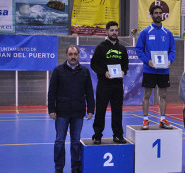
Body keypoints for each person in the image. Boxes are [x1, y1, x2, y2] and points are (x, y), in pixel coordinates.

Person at [48, 45, 95, 173]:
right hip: (61, 113)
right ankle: (59, 168)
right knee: (59, 141)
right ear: (66, 56)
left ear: (79, 55)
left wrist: (91, 109)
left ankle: (75, 167)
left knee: (75, 142)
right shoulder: (58, 70)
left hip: (78, 113)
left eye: (75, 54)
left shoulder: (85, 71)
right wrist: (51, 109)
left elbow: (89, 91)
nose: (73, 57)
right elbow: (52, 91)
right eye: (70, 54)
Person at [136, 5, 175, 130]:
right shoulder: (145, 32)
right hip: (150, 69)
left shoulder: (168, 33)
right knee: (147, 94)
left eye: (160, 13)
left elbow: (172, 50)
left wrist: (170, 60)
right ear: (151, 15)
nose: (158, 15)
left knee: (163, 95)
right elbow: (139, 49)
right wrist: (147, 61)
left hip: (164, 70)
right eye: (156, 13)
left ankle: (162, 119)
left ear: (162, 15)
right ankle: (145, 120)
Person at [91, 21, 129, 144]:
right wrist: (104, 73)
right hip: (104, 84)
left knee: (117, 111)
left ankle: (118, 135)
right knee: (101, 111)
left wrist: (124, 72)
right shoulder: (101, 47)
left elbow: (125, 65)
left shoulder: (122, 49)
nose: (114, 32)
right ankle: (97, 135)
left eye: (116, 30)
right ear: (107, 32)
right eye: (112, 30)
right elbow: (93, 64)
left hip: (117, 85)